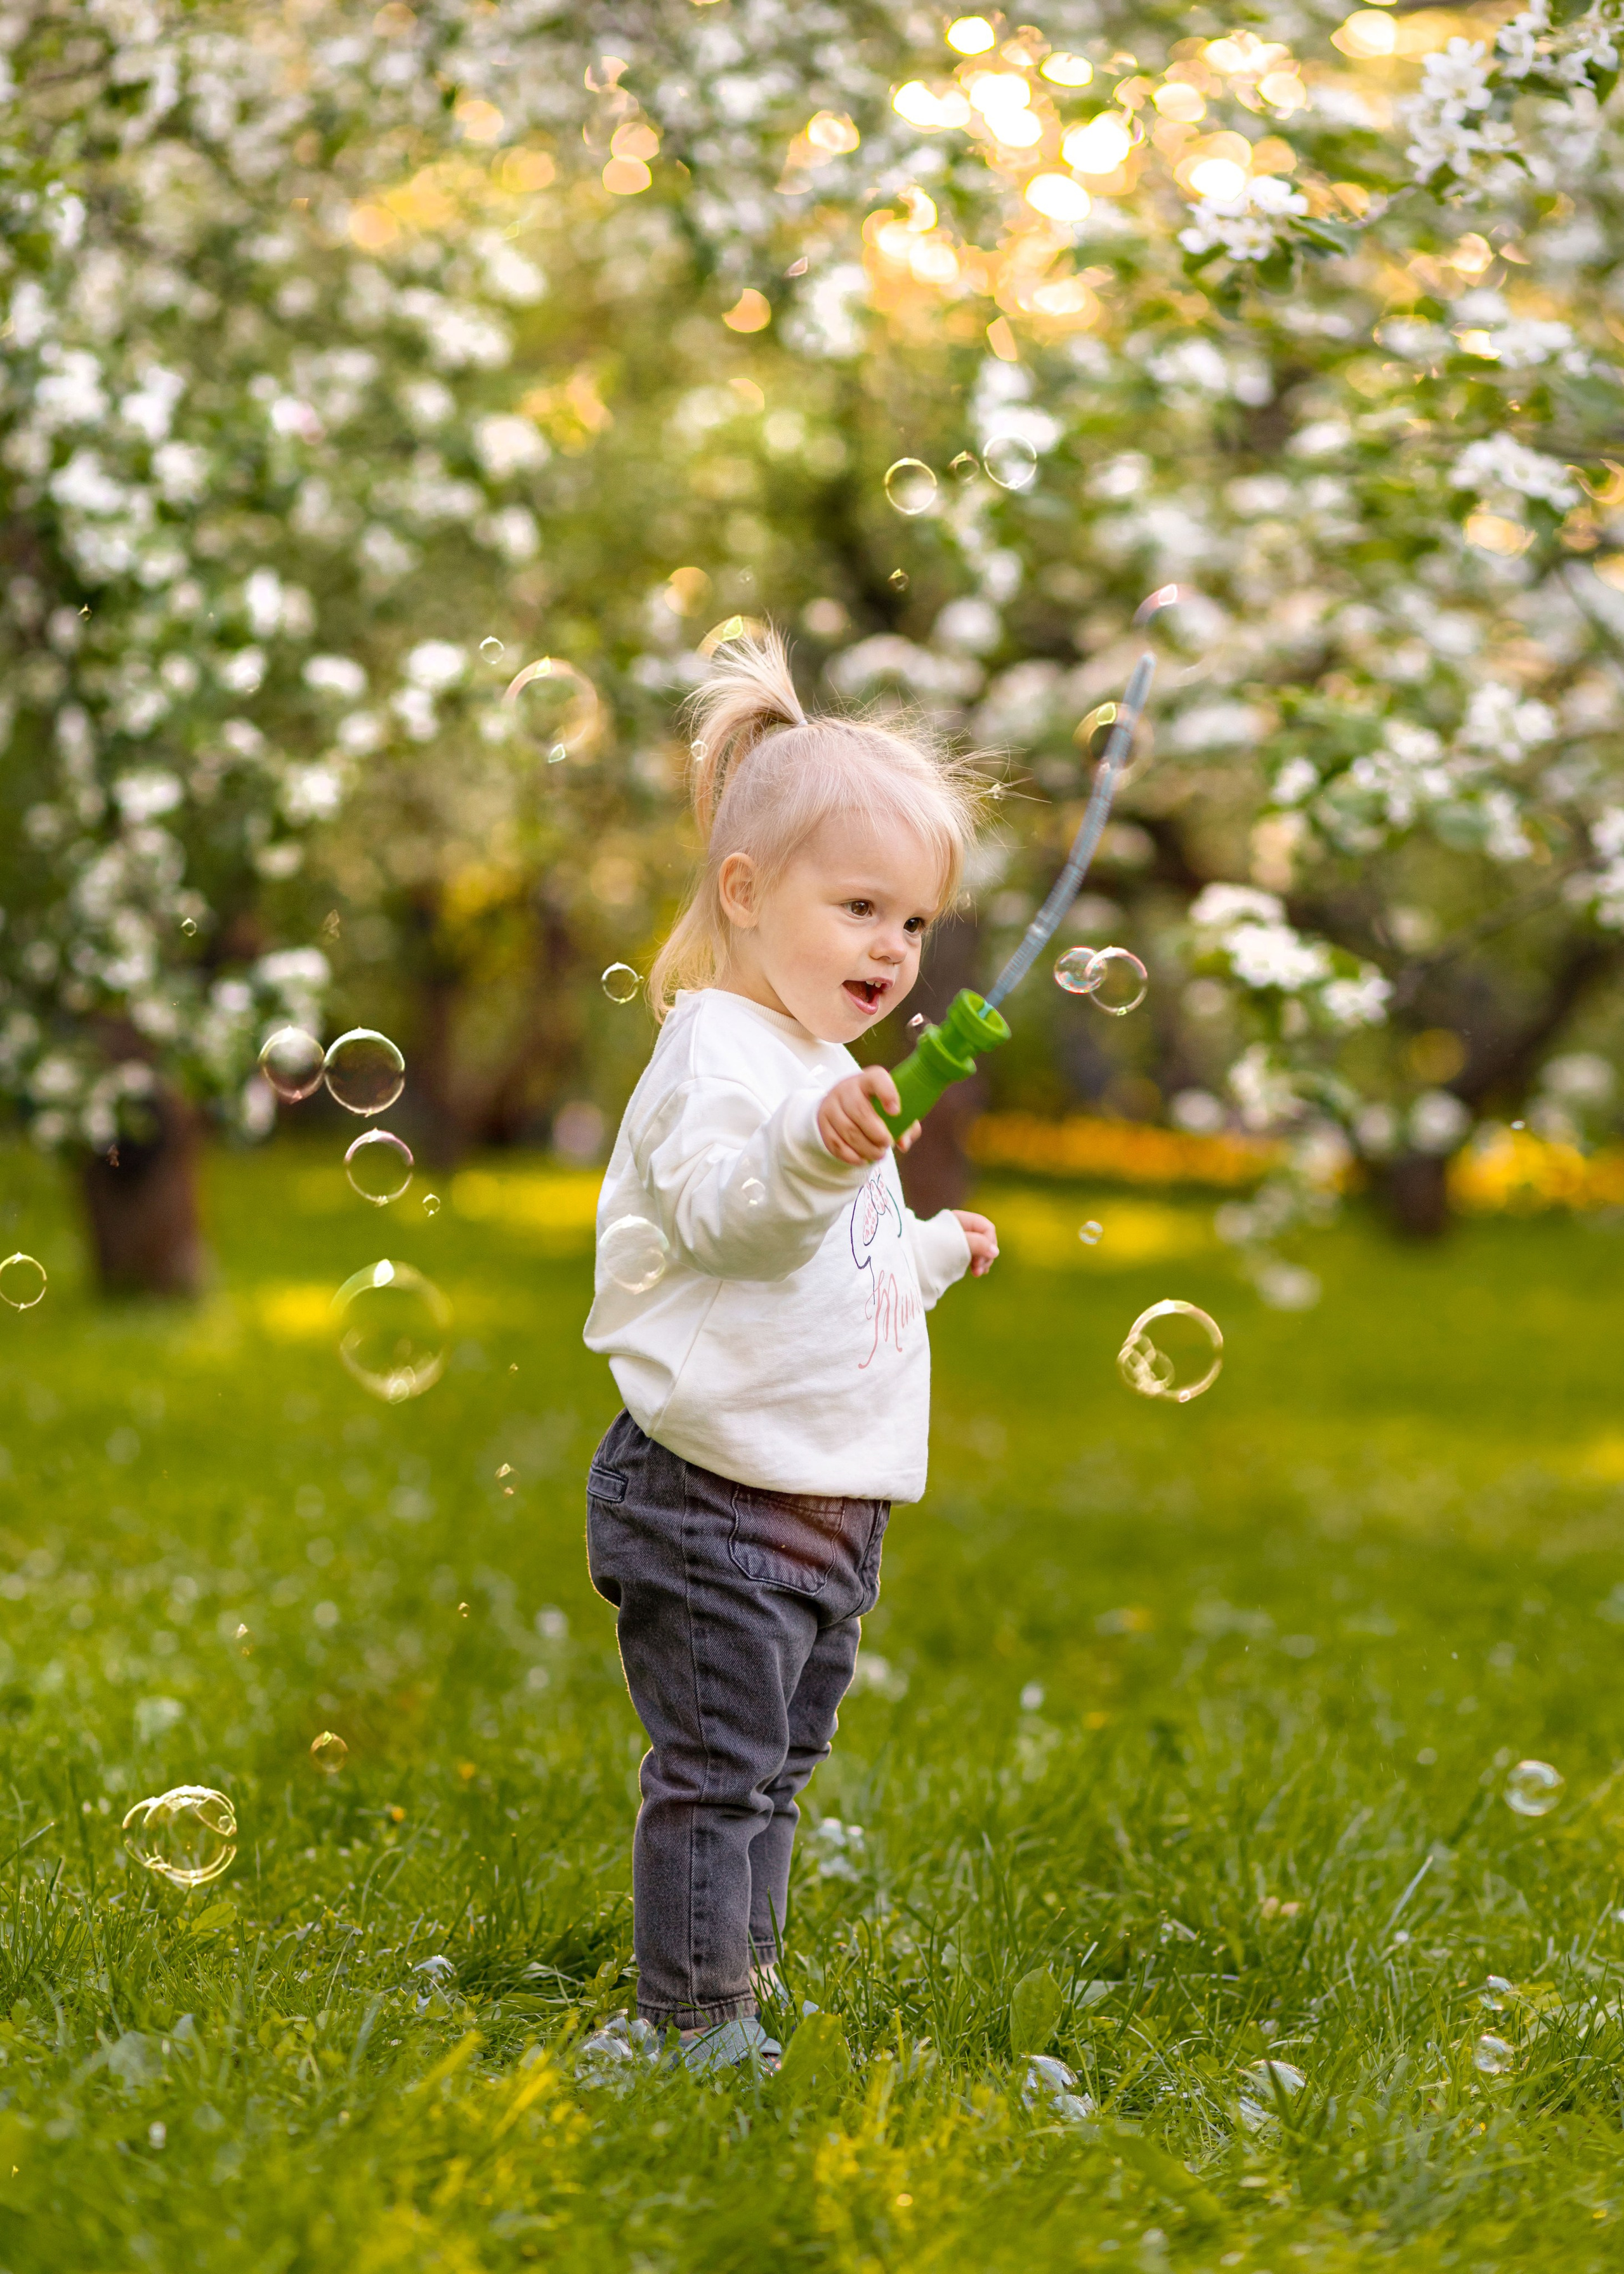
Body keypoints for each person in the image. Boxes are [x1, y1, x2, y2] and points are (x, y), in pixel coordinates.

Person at [582, 629, 999, 2071]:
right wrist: (823, 1153)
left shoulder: (823, 1072)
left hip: (822, 1504)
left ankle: (739, 1984)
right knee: (717, 1774)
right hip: (714, 1498)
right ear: (746, 893)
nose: (892, 947)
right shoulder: (716, 1056)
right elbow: (730, 1226)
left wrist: (926, 1250)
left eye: (914, 922)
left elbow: (833, 1270)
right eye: (860, 906)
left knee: (773, 1772)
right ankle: (691, 2021)